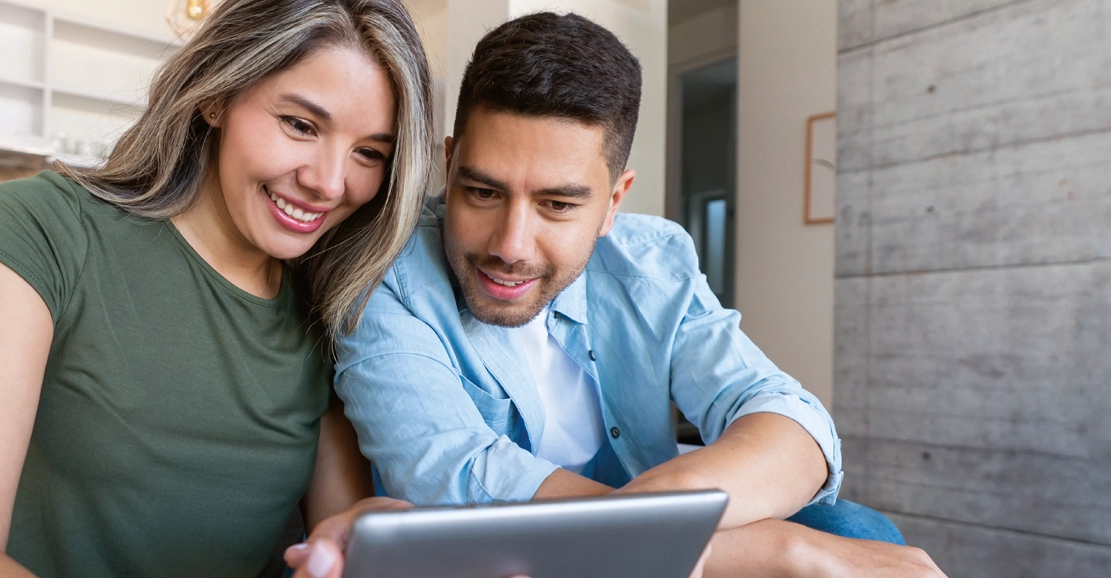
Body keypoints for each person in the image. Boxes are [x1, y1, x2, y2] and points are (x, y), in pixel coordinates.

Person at [284, 12, 947, 578]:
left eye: (558, 204)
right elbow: (455, 478)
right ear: (449, 163)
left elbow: (787, 420)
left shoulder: (651, 260)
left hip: (621, 537)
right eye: (482, 192)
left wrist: (661, 519)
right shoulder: (384, 274)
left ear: (613, 202)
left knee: (859, 529)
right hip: (492, 558)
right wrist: (785, 550)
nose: (511, 243)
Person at [0, 1, 433, 576]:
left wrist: (361, 533)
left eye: (369, 154)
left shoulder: (327, 310)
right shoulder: (40, 230)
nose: (329, 183)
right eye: (300, 125)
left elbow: (337, 532)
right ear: (216, 95)